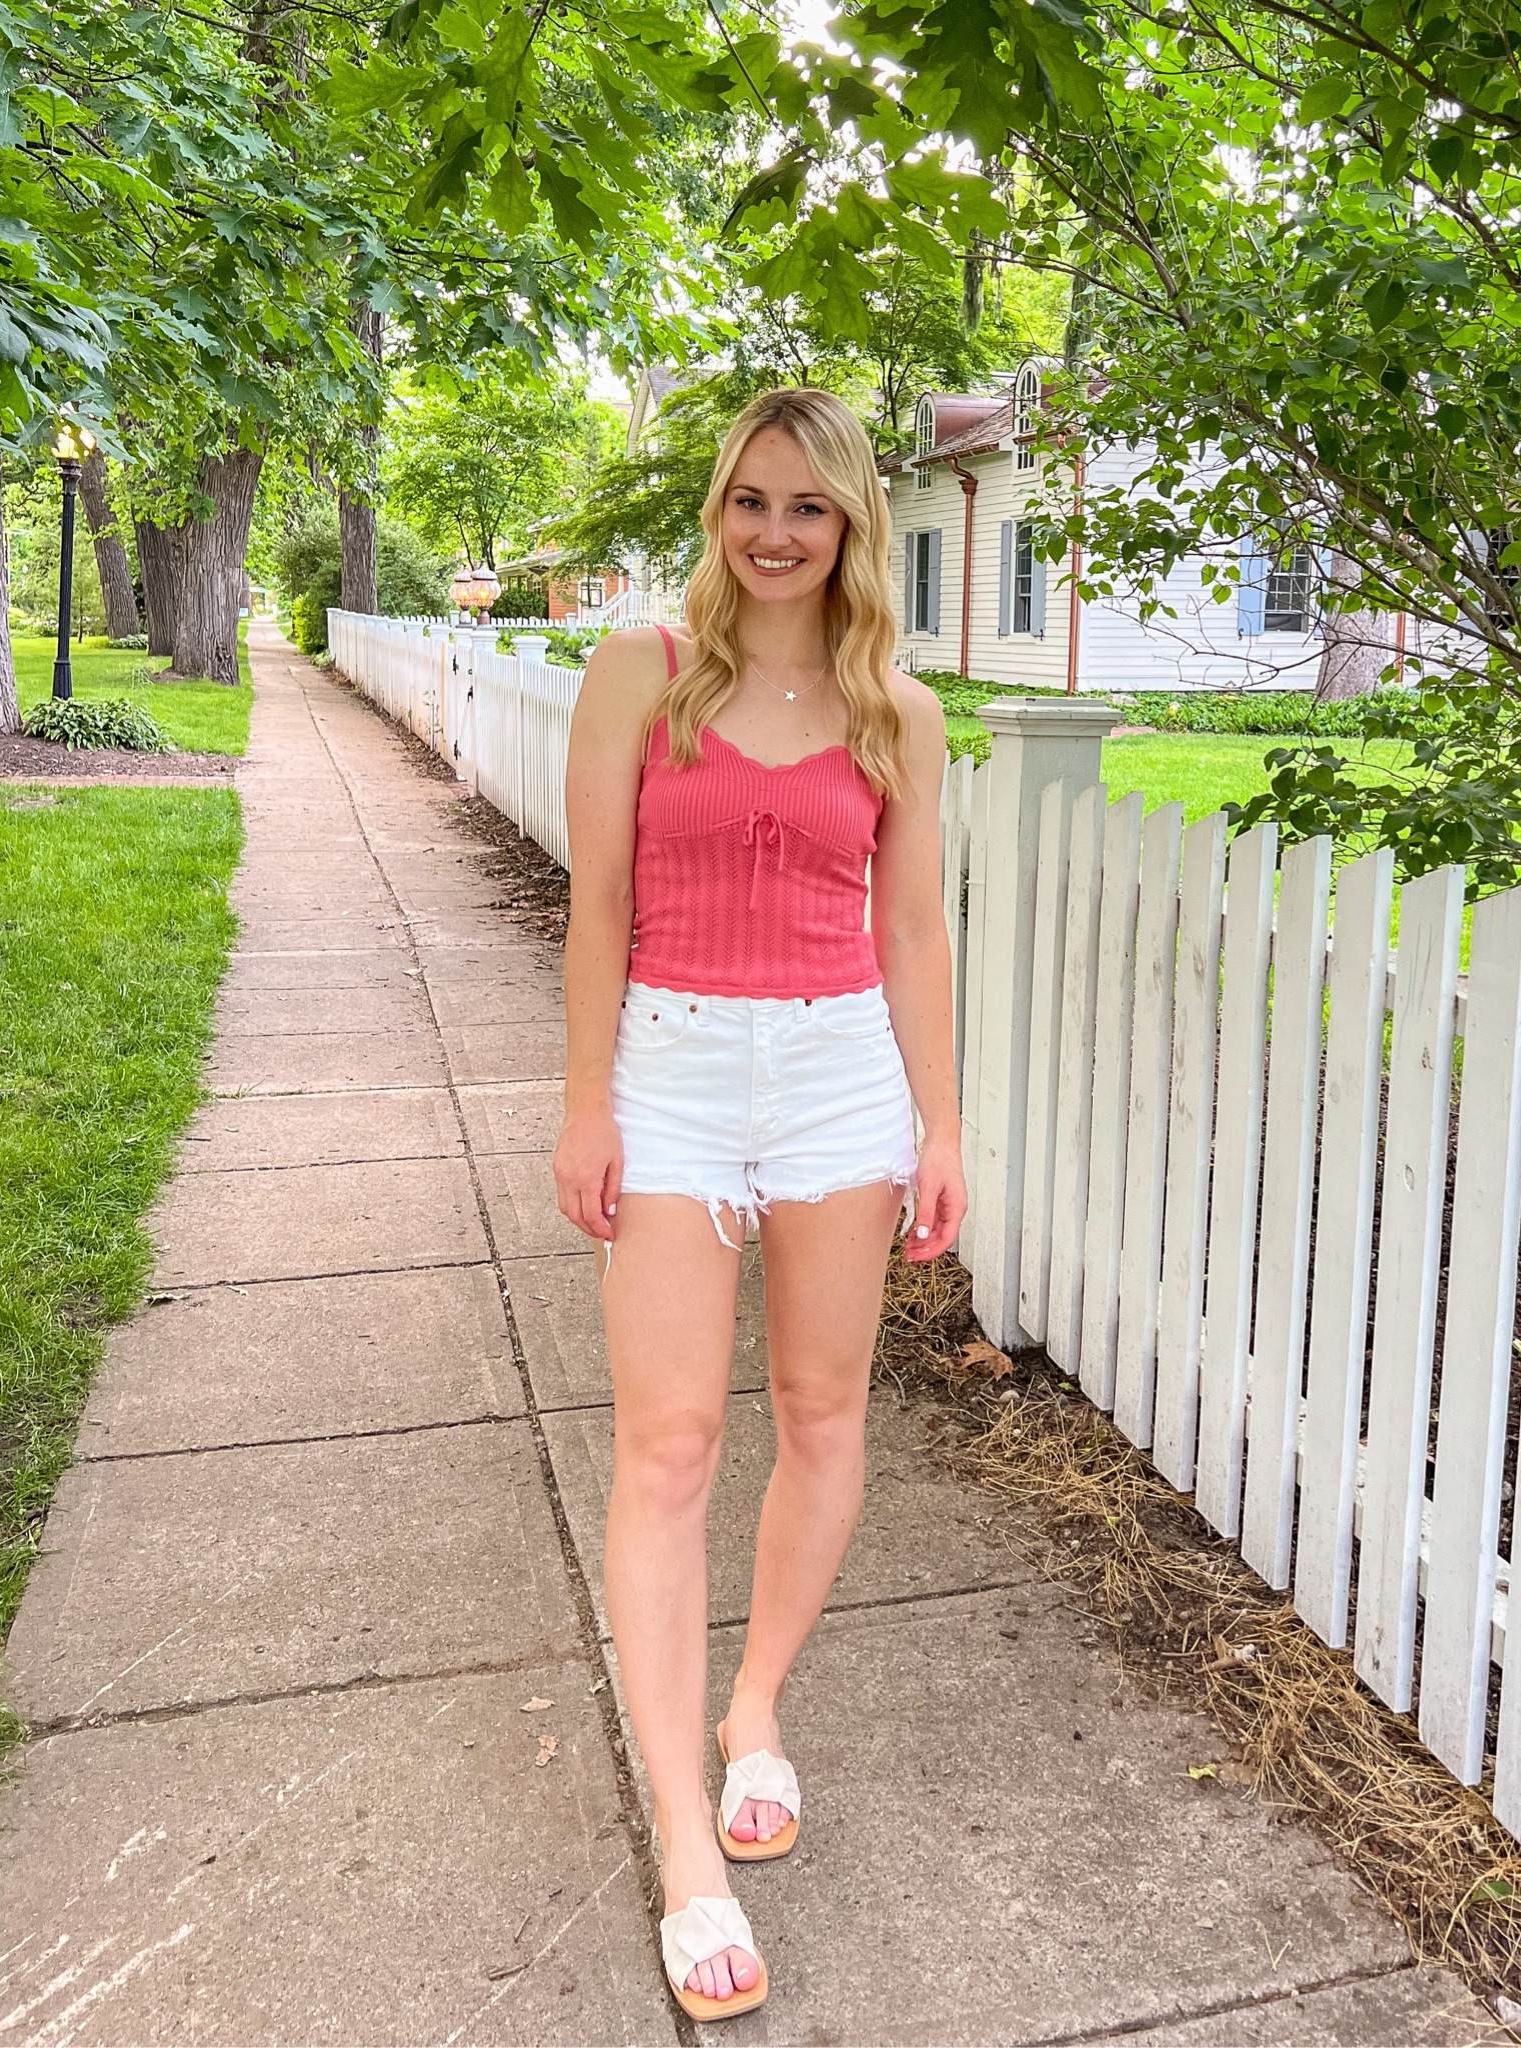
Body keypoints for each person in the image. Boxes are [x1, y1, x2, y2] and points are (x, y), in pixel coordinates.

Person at [553, 386, 967, 2021]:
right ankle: (684, 1842)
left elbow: (913, 933)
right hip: (673, 1070)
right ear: (717, 512)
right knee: (665, 1446)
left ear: (852, 523)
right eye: (749, 501)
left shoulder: (897, 712)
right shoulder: (641, 674)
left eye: (807, 507)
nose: (775, 533)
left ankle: (756, 1709)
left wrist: (944, 1124)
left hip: (841, 1087)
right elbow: (598, 905)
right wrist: (585, 1103)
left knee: (820, 1410)